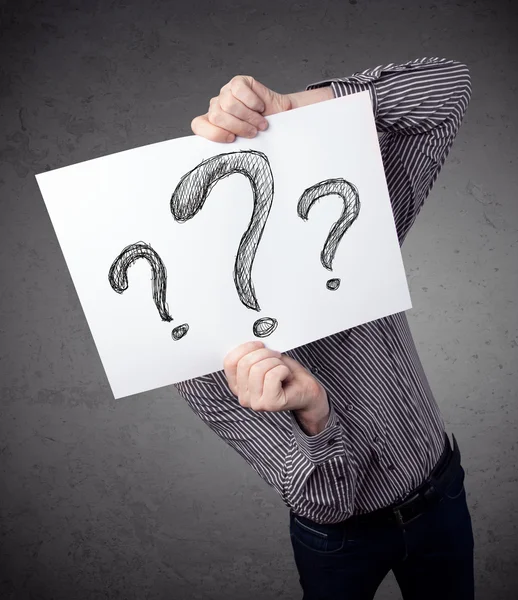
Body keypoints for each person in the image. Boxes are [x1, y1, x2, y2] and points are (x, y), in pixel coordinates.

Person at [175, 57, 473, 600]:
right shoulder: (199, 363)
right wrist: (314, 412)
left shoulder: (354, 241)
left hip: (442, 492)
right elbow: (326, 505)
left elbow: (443, 89)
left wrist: (295, 107)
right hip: (341, 544)